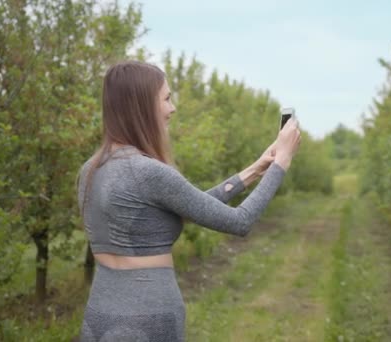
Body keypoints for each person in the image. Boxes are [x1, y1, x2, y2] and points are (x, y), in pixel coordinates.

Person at [77, 60, 300, 341]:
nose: (173, 108)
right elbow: (240, 221)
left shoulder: (90, 170)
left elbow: (191, 205)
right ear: (142, 106)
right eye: (167, 98)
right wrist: (282, 162)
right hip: (148, 320)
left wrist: (257, 169)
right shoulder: (148, 172)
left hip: (99, 316)